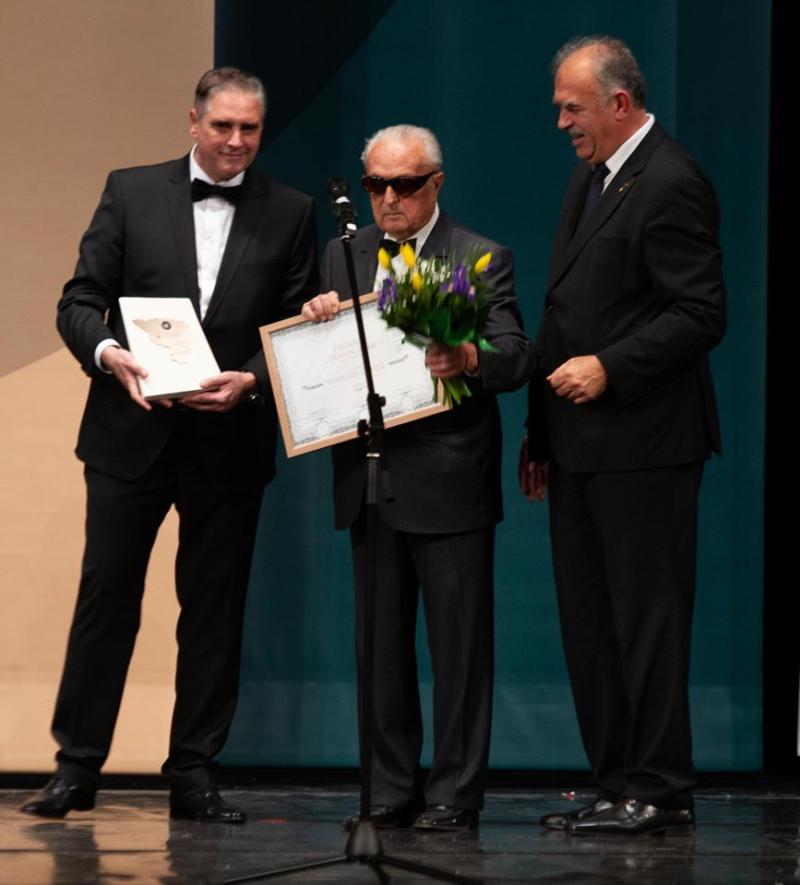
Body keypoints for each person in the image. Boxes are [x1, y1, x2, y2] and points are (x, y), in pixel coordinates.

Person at [21, 68, 318, 823]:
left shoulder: (291, 211)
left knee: (214, 611)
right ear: (193, 122)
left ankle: (194, 773)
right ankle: (76, 767)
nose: (236, 141)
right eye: (222, 126)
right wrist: (108, 354)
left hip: (229, 439)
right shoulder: (130, 191)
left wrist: (251, 382)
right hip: (130, 434)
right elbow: (79, 300)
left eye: (250, 128)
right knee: (106, 599)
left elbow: (292, 326)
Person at [520, 36, 726, 835]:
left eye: (571, 107)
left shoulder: (671, 179)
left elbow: (701, 312)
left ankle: (661, 787)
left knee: (646, 623)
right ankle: (616, 783)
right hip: (580, 446)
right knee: (593, 626)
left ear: (619, 102)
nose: (561, 121)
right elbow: (564, 312)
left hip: (646, 446)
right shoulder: (593, 176)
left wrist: (611, 366)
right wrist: (539, 433)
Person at [302, 124, 532, 831]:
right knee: (378, 648)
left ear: (436, 183)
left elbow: (517, 355)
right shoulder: (343, 254)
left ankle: (454, 794)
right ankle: (388, 788)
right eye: (376, 184)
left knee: (458, 650)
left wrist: (469, 357)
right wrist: (314, 319)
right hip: (372, 477)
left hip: (450, 477)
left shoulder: (478, 254)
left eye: (404, 184)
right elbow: (326, 354)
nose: (389, 198)